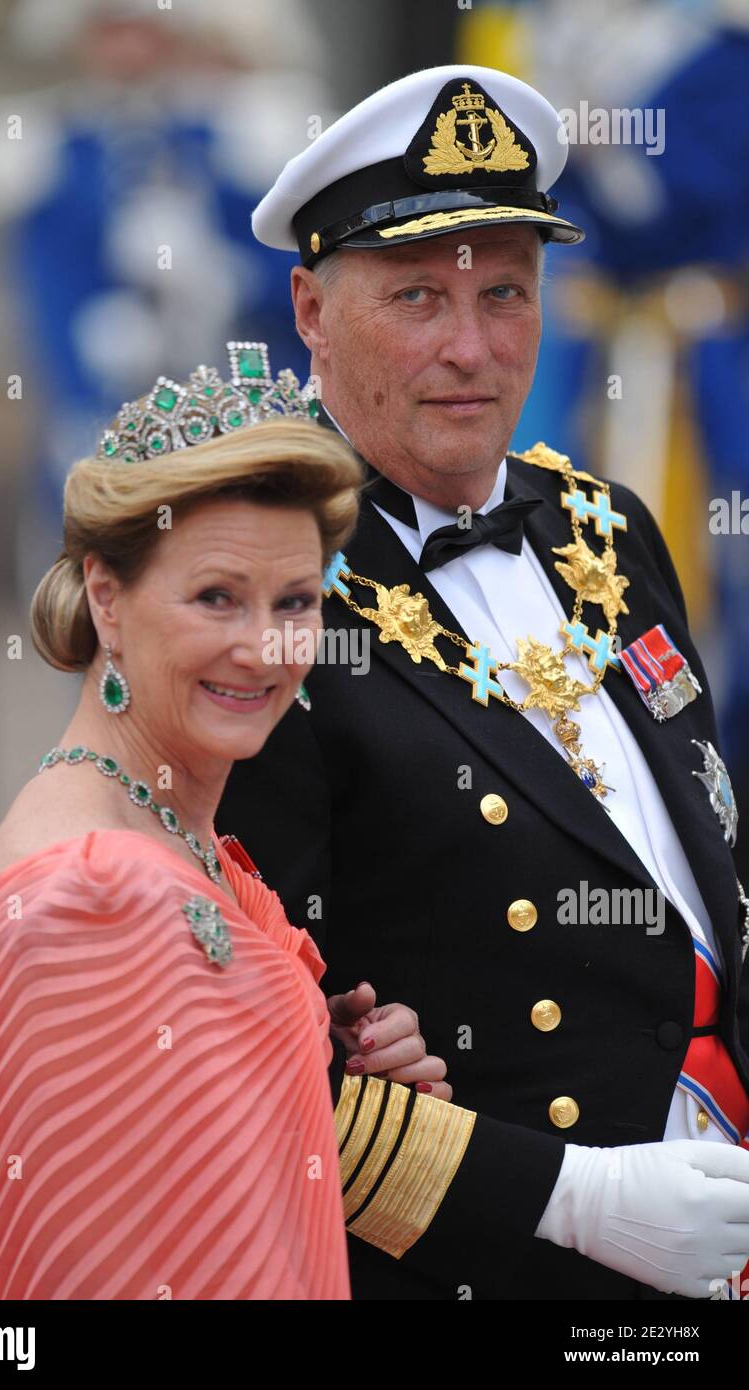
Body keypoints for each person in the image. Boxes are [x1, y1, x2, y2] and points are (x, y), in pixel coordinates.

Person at [217, 65, 749, 1300]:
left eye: (505, 292)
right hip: (516, 1253)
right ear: (308, 310)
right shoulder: (261, 598)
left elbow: (698, 869)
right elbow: (251, 1053)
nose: (471, 348)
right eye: (415, 296)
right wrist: (580, 1204)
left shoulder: (599, 524)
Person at [0, 348, 458, 1300]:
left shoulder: (160, 832)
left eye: (296, 602)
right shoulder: (99, 896)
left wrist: (341, 1098)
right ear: (106, 597)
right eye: (215, 597)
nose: (265, 647)